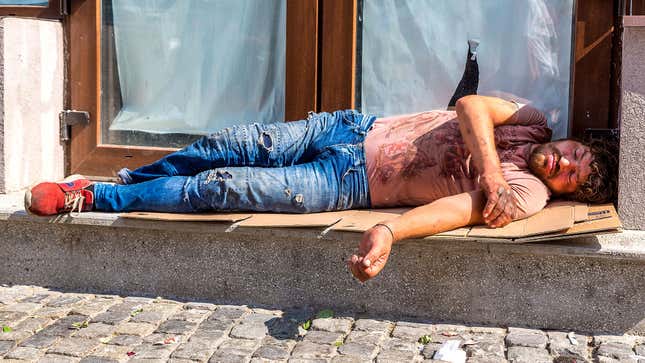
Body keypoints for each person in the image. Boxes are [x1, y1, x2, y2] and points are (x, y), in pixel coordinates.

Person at [24, 95, 618, 282]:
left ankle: (91, 198)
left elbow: (454, 210)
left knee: (223, 187)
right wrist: (489, 166)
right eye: (575, 152)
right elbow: (469, 107)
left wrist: (388, 230)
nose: (564, 161)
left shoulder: (528, 196)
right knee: (222, 145)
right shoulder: (533, 119)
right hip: (354, 126)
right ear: (570, 139)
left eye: (573, 173)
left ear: (569, 191)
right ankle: (123, 180)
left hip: (350, 182)